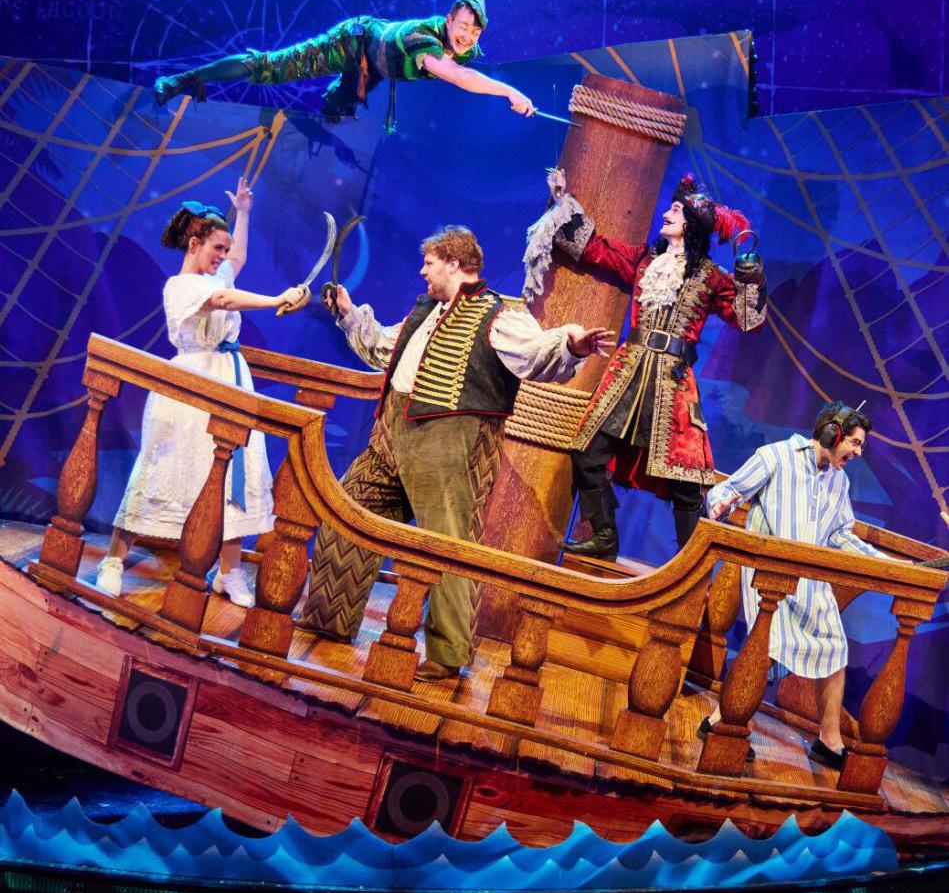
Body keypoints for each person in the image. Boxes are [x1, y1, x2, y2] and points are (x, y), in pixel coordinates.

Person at [299, 225, 614, 680]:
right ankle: (328, 617)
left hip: (449, 442)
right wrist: (349, 314)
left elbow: (534, 353)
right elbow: (385, 350)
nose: (422, 271)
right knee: (350, 511)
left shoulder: (498, 315)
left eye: (429, 262)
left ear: (453, 262)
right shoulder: (426, 311)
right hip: (391, 433)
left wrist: (569, 343)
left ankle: (447, 654)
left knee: (449, 544)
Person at [526, 169, 767, 560]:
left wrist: (751, 278)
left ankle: (690, 566)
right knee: (587, 451)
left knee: (685, 482)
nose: (667, 214)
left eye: (676, 211)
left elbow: (748, 320)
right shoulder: (644, 260)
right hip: (629, 372)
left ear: (691, 224)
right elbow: (593, 248)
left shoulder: (711, 278)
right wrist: (562, 199)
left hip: (673, 380)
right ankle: (604, 536)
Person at [95, 181, 308, 606]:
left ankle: (229, 573)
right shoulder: (183, 287)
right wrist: (276, 300)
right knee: (161, 468)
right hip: (191, 385)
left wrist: (243, 213)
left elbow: (238, 260)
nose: (223, 257)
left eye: (224, 250)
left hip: (230, 380)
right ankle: (114, 560)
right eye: (216, 249)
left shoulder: (216, 273)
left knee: (232, 477)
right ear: (194, 244)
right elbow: (224, 300)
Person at [701, 401, 888, 770]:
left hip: (812, 583)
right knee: (766, 648)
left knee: (834, 648)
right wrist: (720, 514)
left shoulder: (839, 480)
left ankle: (829, 742)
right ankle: (723, 723)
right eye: (854, 442)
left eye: (861, 445)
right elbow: (726, 493)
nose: (857, 452)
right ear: (831, 433)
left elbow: (840, 535)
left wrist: (887, 564)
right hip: (771, 577)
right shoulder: (776, 456)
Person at [152, 0, 534, 130]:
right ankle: (184, 79)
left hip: (378, 65)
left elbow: (465, 64)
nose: (468, 37)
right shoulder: (423, 39)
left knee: (345, 102)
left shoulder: (463, 46)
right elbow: (456, 76)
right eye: (463, 27)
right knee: (270, 68)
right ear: (448, 21)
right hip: (353, 43)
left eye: (475, 32)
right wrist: (509, 92)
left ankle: (334, 102)